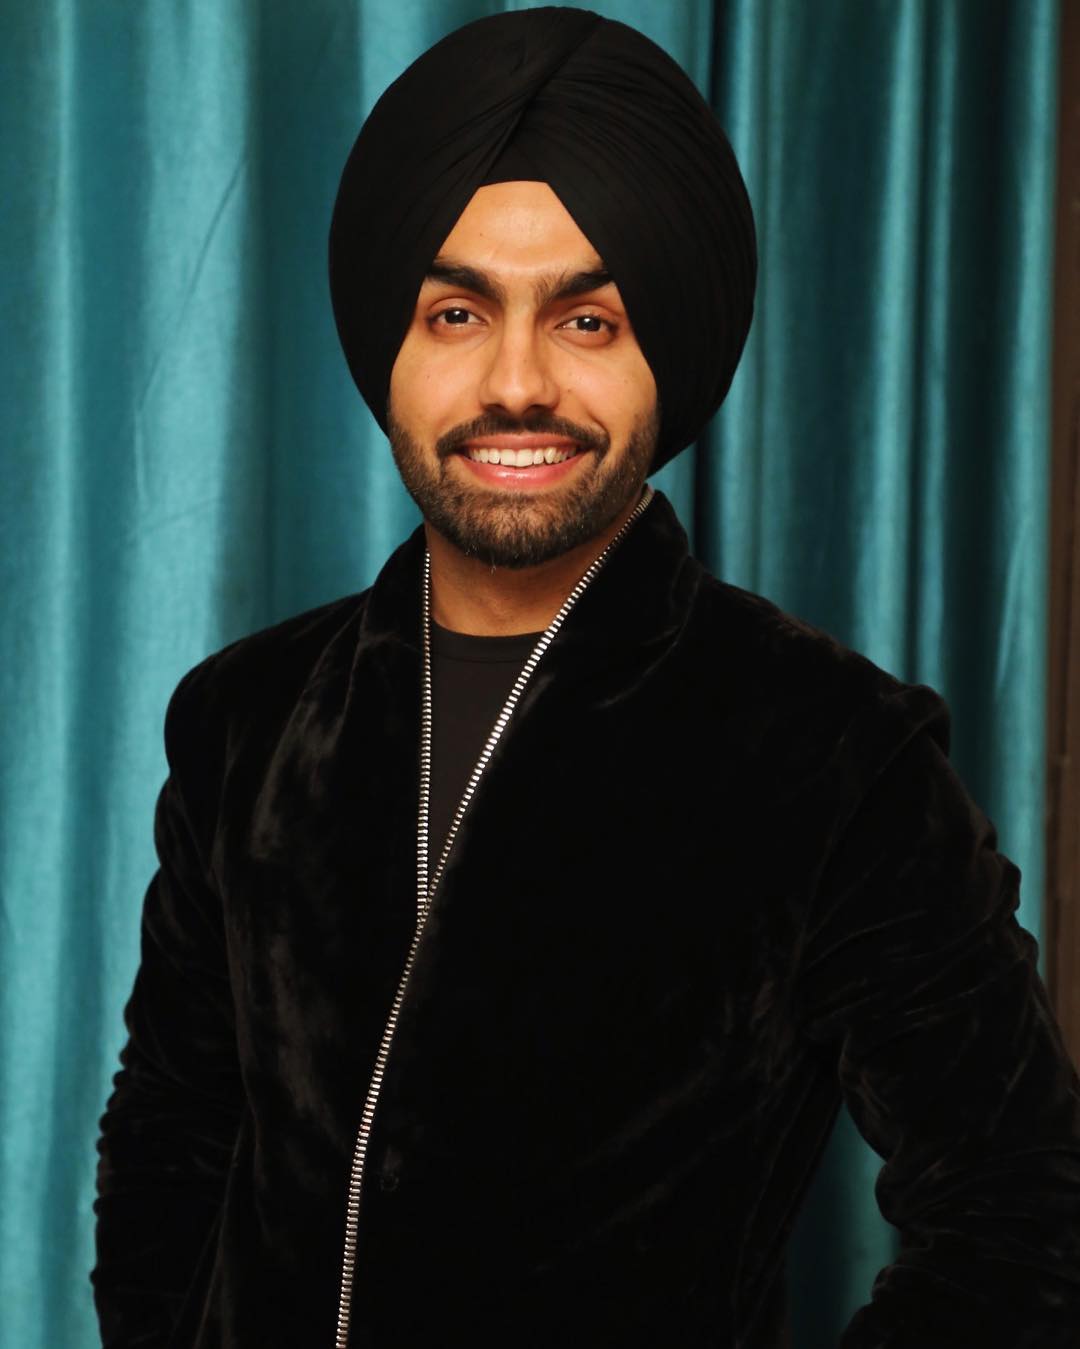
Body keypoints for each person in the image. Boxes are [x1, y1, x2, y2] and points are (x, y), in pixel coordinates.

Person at [91, 8, 1080, 1348]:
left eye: (588, 319)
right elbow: (169, 1136)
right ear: (389, 345)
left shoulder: (833, 754)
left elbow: (1024, 1208)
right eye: (457, 312)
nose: (518, 382)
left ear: (667, 349)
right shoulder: (243, 722)